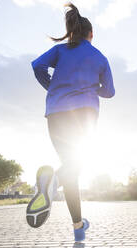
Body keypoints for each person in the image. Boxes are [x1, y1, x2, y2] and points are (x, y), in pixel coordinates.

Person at [26, 3, 115, 242]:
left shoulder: (61, 50)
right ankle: (53, 180)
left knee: (71, 168)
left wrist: (53, 87)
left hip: (55, 112)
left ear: (72, 32)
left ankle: (78, 227)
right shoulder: (100, 57)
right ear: (91, 34)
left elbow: (37, 66)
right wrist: (93, 86)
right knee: (75, 163)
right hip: (85, 113)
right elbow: (110, 91)